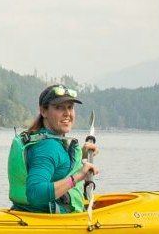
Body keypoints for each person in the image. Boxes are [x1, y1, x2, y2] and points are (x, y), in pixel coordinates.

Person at [8, 83, 97, 213]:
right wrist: (78, 176)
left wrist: (82, 155)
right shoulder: (48, 148)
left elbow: (57, 166)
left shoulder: (44, 139)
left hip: (27, 211)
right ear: (43, 111)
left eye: (70, 107)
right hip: (50, 219)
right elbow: (35, 193)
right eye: (59, 108)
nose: (67, 114)